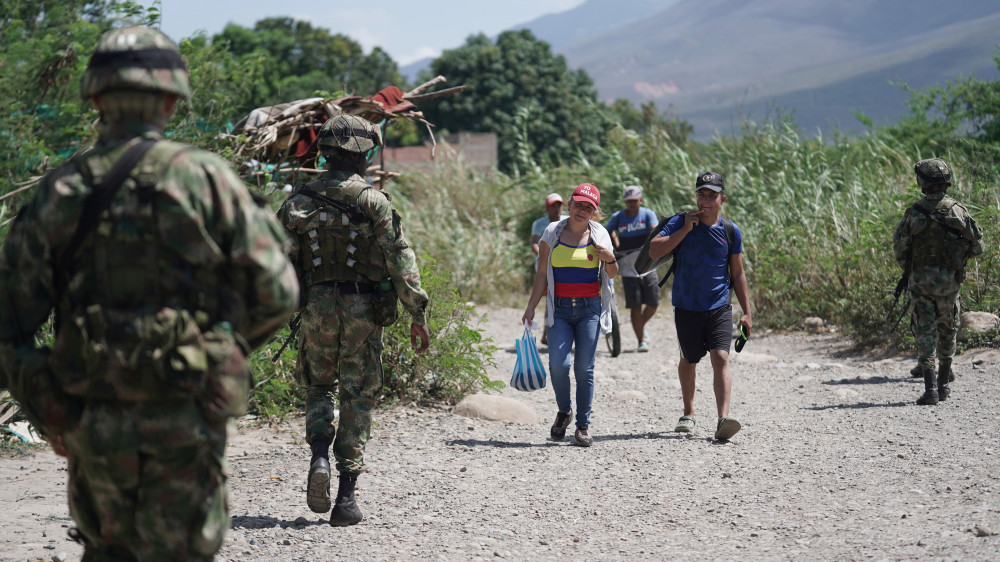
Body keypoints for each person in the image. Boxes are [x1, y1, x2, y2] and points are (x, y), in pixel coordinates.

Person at [0, 26, 299, 560]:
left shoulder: (61, 191)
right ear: (171, 99)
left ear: (94, 98)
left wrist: (53, 411)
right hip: (185, 412)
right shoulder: (206, 179)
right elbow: (276, 291)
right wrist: (215, 359)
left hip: (94, 419)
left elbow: (8, 322)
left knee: (107, 550)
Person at [277, 113, 431, 526]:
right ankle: (345, 500)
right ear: (364, 152)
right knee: (357, 394)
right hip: (363, 308)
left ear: (326, 151)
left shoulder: (297, 202)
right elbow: (401, 261)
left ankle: (317, 458)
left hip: (316, 307)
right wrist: (418, 314)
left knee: (318, 387)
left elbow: (275, 261)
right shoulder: (374, 202)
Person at [648, 171, 751, 441]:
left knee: (721, 357)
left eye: (712, 196)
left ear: (722, 199)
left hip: (719, 305)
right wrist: (684, 230)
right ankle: (689, 412)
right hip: (686, 306)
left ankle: (723, 419)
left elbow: (738, 273)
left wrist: (748, 312)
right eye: (701, 194)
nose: (705, 201)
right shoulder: (680, 222)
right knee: (690, 358)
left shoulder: (730, 231)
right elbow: (654, 251)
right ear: (696, 196)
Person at [522, 183, 618, 447]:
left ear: (594, 212)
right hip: (560, 309)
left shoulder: (600, 236)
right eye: (579, 204)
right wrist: (531, 306)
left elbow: (612, 274)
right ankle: (564, 412)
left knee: (584, 368)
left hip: (589, 309)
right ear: (570, 204)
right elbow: (542, 273)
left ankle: (583, 425)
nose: (582, 210)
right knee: (558, 365)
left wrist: (609, 258)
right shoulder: (552, 232)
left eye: (589, 207)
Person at [893, 158, 983, 405]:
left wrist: (915, 271)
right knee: (948, 329)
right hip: (949, 282)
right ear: (946, 181)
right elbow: (978, 247)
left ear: (922, 182)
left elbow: (900, 251)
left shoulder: (914, 212)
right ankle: (943, 386)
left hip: (920, 282)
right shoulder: (958, 210)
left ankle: (930, 389)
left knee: (924, 332)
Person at [605, 185, 660, 352]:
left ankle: (639, 326)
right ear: (625, 202)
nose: (632, 204)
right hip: (628, 268)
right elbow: (607, 231)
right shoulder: (618, 217)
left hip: (648, 265)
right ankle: (641, 340)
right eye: (629, 201)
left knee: (653, 303)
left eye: (635, 201)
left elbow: (655, 231)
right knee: (635, 305)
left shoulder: (647, 214)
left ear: (640, 200)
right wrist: (616, 244)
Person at [530, 193, 566, 345]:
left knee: (556, 296)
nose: (556, 208)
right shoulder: (539, 224)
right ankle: (548, 333)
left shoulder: (567, 221)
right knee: (551, 297)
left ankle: (548, 334)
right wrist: (544, 257)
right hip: (545, 265)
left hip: (564, 264)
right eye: (553, 205)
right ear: (547, 208)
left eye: (559, 205)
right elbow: (534, 244)